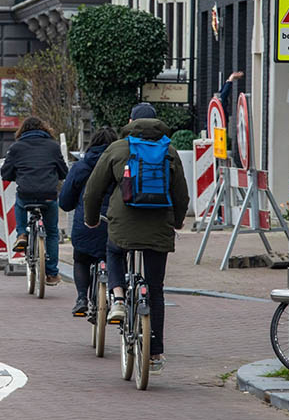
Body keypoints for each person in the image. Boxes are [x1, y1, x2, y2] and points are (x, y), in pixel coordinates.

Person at [83, 102, 189, 376]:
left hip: (123, 225)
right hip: (158, 227)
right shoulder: (170, 152)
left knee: (114, 251)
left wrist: (91, 218)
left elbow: (93, 190)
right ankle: (154, 353)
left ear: (130, 121)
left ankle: (118, 298)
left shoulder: (118, 149)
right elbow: (181, 196)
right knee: (155, 290)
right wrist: (175, 222)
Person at [1, 117, 68, 286]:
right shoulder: (53, 146)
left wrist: (16, 175)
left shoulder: (16, 148)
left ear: (22, 131)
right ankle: (52, 273)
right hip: (48, 195)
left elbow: (5, 173)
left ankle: (22, 233)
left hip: (26, 193)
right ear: (44, 129)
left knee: (20, 202)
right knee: (52, 232)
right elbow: (64, 172)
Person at [58, 127, 118, 315]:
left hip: (85, 225)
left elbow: (65, 203)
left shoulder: (80, 167)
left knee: (81, 259)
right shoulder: (120, 165)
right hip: (114, 225)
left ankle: (82, 297)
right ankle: (115, 298)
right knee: (115, 258)